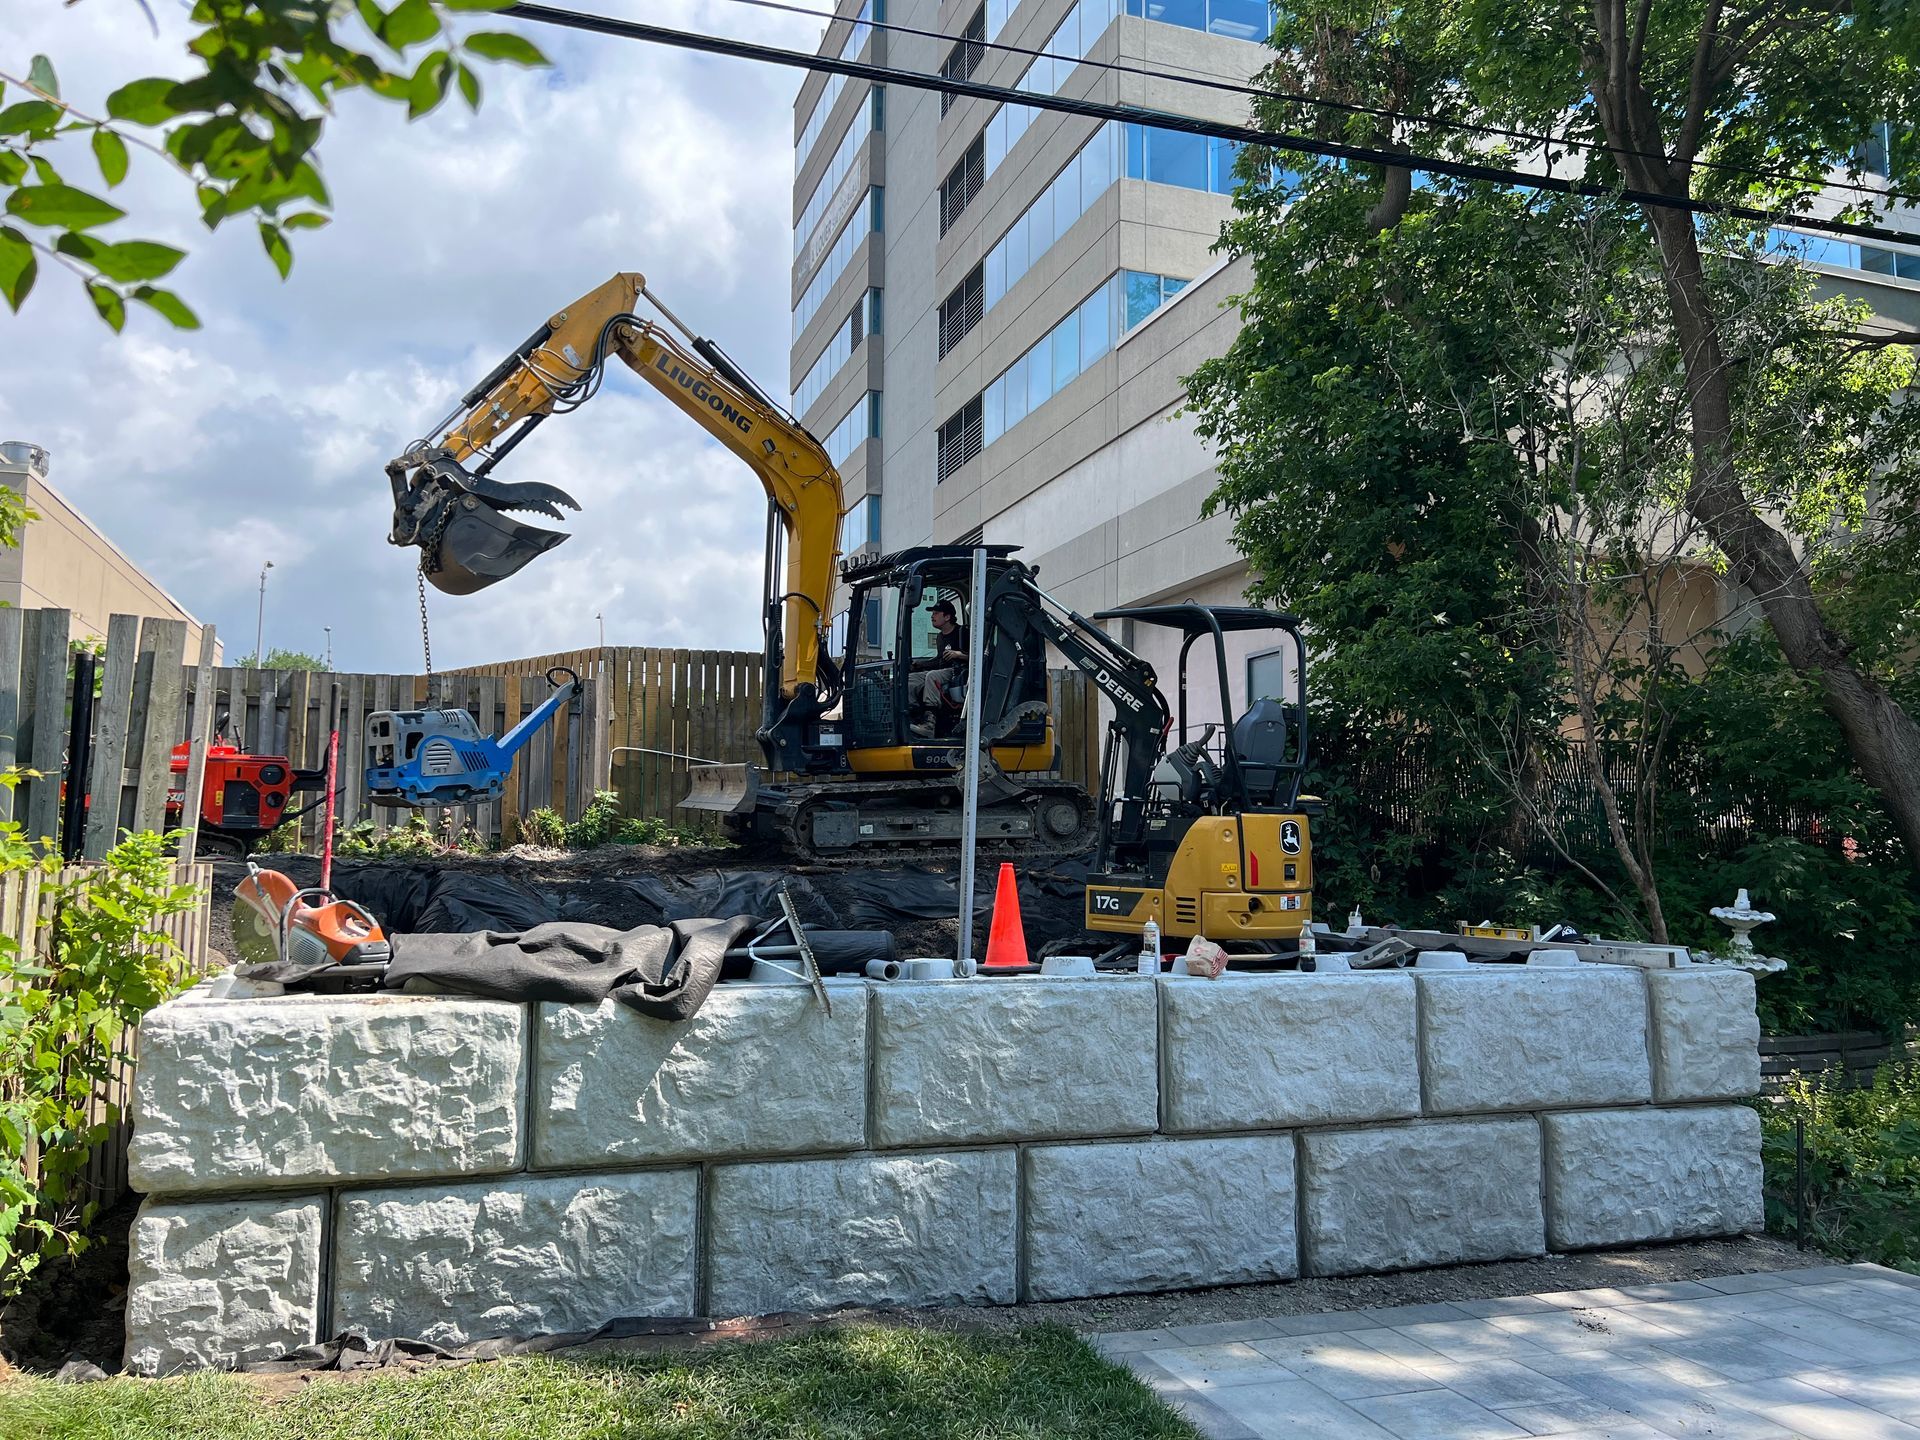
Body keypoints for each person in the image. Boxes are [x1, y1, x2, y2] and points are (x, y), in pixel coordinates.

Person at [911, 599, 968, 736]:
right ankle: (912, 715)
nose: (932, 616)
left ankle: (929, 724)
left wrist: (959, 654)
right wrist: (920, 664)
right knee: (910, 679)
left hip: (958, 672)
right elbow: (939, 659)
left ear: (947, 617)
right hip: (942, 670)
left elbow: (979, 657)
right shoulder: (940, 637)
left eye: (936, 613)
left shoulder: (963, 632)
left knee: (932, 676)